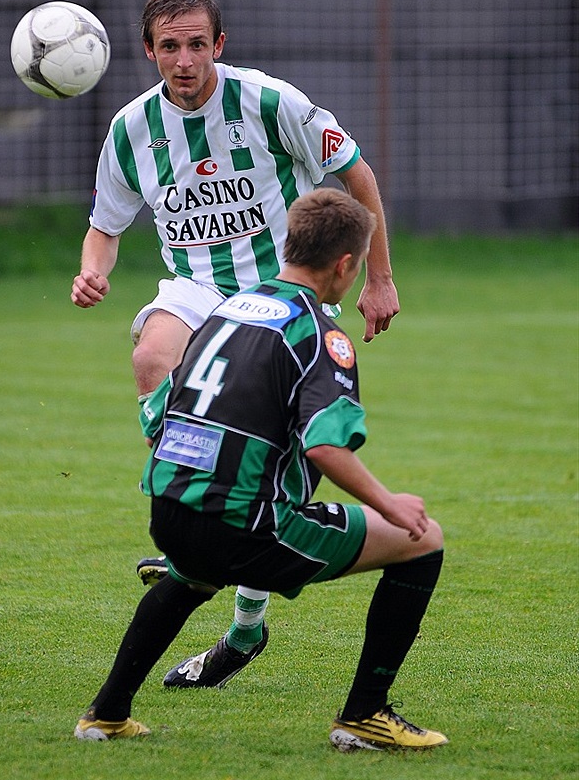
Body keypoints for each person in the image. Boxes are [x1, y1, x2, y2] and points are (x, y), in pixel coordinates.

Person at [71, 0, 400, 688]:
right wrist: (91, 271)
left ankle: (246, 627)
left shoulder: (272, 102)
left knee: (276, 456)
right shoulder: (131, 130)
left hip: (284, 287)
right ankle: (191, 497)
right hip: (195, 288)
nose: (184, 59)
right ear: (149, 51)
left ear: (218, 45)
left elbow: (358, 174)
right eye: (169, 46)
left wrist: (378, 277)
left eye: (197, 44)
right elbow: (105, 223)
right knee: (153, 352)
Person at [74, 188, 447, 751]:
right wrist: (390, 504)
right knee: (423, 540)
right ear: (346, 266)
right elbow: (325, 446)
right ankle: (365, 715)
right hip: (247, 529)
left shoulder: (223, 311)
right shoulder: (319, 333)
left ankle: (105, 715)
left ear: (288, 244)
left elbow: (158, 408)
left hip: (170, 508)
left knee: (193, 569)